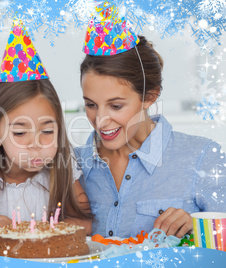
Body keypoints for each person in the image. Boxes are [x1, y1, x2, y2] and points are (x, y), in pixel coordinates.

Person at [75, 1, 226, 239]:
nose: (101, 120)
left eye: (116, 105)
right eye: (91, 104)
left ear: (150, 96)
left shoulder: (203, 157)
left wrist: (196, 229)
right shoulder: (73, 166)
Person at [0, 20, 92, 241]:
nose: (36, 144)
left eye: (47, 131)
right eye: (19, 133)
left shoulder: (64, 163)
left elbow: (85, 223)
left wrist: (21, 229)